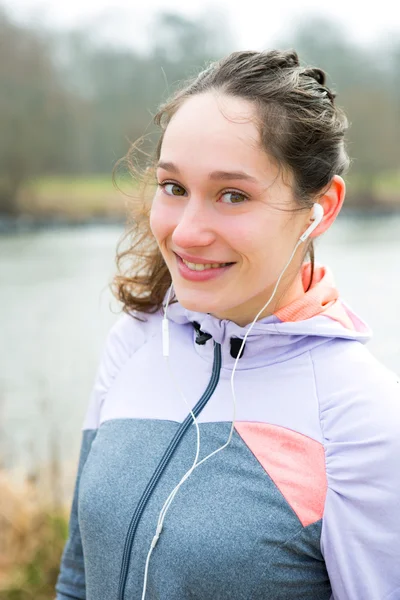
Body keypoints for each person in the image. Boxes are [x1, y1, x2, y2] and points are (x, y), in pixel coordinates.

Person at [55, 49, 400, 600]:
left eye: (232, 195)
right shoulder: (134, 343)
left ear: (322, 209)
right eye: (173, 188)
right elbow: (77, 579)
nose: (187, 233)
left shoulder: (363, 420)